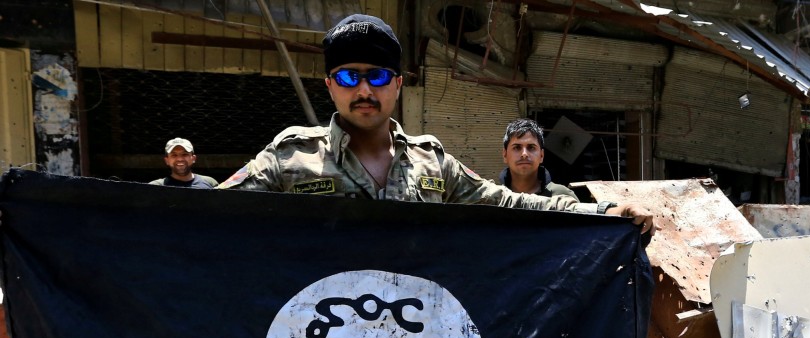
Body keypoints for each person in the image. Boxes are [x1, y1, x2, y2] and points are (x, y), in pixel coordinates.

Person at [219, 14, 654, 234]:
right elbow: (205, 216)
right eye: (350, 77)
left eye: (378, 76)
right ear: (330, 86)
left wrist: (604, 213)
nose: (364, 90)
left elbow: (508, 203)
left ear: (398, 84)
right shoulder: (288, 159)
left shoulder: (433, 163)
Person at [498, 119, 578, 200]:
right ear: (505, 155)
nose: (524, 154)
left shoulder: (563, 197)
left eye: (531, 147)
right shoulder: (495, 198)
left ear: (541, 155)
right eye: (517, 147)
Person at [150, 138, 218, 189]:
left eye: (185, 154)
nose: (180, 159)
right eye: (174, 155)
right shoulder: (155, 187)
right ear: (167, 160)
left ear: (193, 158)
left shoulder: (210, 183)